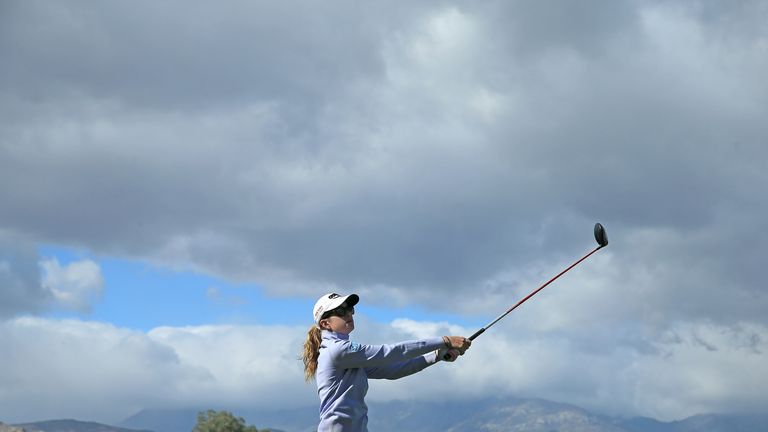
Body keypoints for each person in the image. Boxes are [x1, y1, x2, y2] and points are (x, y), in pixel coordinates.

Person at [301, 292, 471, 432]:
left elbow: (394, 370)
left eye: (350, 309)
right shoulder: (338, 351)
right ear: (325, 323)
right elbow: (391, 353)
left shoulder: (346, 353)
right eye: (340, 311)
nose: (348, 314)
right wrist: (445, 340)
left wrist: (436, 355)